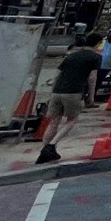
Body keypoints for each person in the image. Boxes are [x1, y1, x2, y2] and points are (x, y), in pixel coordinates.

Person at [36, 34, 102, 165]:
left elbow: (57, 74)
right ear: (98, 43)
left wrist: (52, 92)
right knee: (72, 120)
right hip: (74, 92)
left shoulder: (71, 56)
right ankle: (51, 146)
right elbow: (92, 78)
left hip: (57, 91)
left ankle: (44, 150)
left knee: (54, 121)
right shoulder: (95, 57)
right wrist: (91, 96)